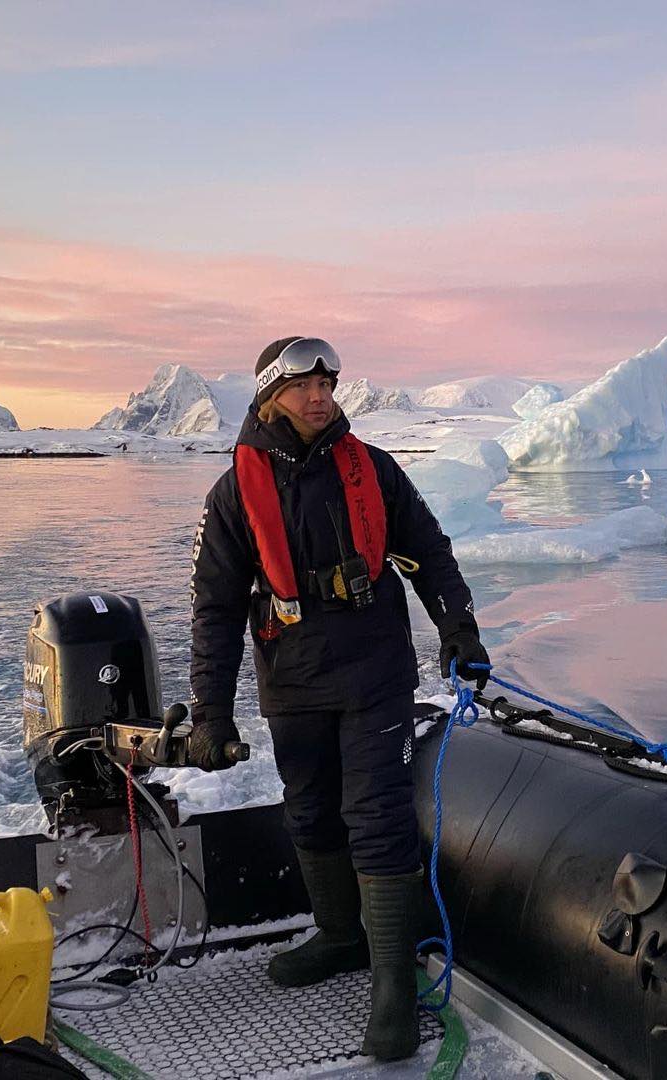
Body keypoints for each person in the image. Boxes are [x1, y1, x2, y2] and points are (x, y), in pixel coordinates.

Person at [189, 336, 488, 1061]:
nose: (320, 397)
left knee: (377, 813)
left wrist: (459, 627)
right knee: (311, 809)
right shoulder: (235, 491)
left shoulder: (374, 471)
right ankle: (340, 934)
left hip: (374, 670)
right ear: (269, 396)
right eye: (303, 386)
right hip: (291, 678)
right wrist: (210, 711)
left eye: (328, 383)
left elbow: (429, 551)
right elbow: (216, 607)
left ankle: (390, 979)